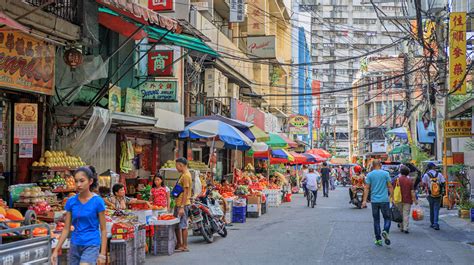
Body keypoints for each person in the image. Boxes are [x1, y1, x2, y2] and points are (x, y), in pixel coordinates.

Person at [51, 166, 107, 265]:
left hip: (92, 243)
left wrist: (102, 254)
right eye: (76, 181)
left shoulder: (98, 201)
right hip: (75, 244)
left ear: (90, 181)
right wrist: (55, 251)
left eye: (82, 181)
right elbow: (66, 228)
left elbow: (103, 229)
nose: (78, 184)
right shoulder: (71, 201)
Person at [362, 159, 394, 246]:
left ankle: (378, 239)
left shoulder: (369, 175)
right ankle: (385, 230)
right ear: (380, 165)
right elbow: (390, 186)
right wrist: (392, 197)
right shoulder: (385, 174)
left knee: (376, 220)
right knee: (387, 218)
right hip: (384, 200)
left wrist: (364, 200)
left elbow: (367, 188)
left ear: (372, 165)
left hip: (374, 201)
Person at [174, 157, 193, 252]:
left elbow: (186, 192)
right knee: (177, 225)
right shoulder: (183, 175)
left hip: (183, 204)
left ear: (181, 165)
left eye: (176, 166)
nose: (176, 168)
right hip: (179, 203)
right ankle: (179, 243)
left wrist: (181, 207)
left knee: (183, 225)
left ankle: (184, 245)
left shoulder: (186, 176)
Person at [422, 162, 445, 230]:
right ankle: (436, 223)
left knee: (431, 208)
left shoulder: (426, 175)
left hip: (429, 194)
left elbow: (423, 184)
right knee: (436, 209)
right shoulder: (439, 174)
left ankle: (432, 223)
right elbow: (443, 182)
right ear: (433, 167)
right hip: (438, 194)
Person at [395, 165, 418, 233]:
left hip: (398, 199)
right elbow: (412, 192)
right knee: (406, 214)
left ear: (400, 172)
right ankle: (406, 228)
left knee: (400, 213)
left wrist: (392, 198)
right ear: (408, 173)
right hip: (408, 200)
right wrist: (415, 200)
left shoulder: (397, 180)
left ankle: (401, 226)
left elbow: (393, 189)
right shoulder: (410, 181)